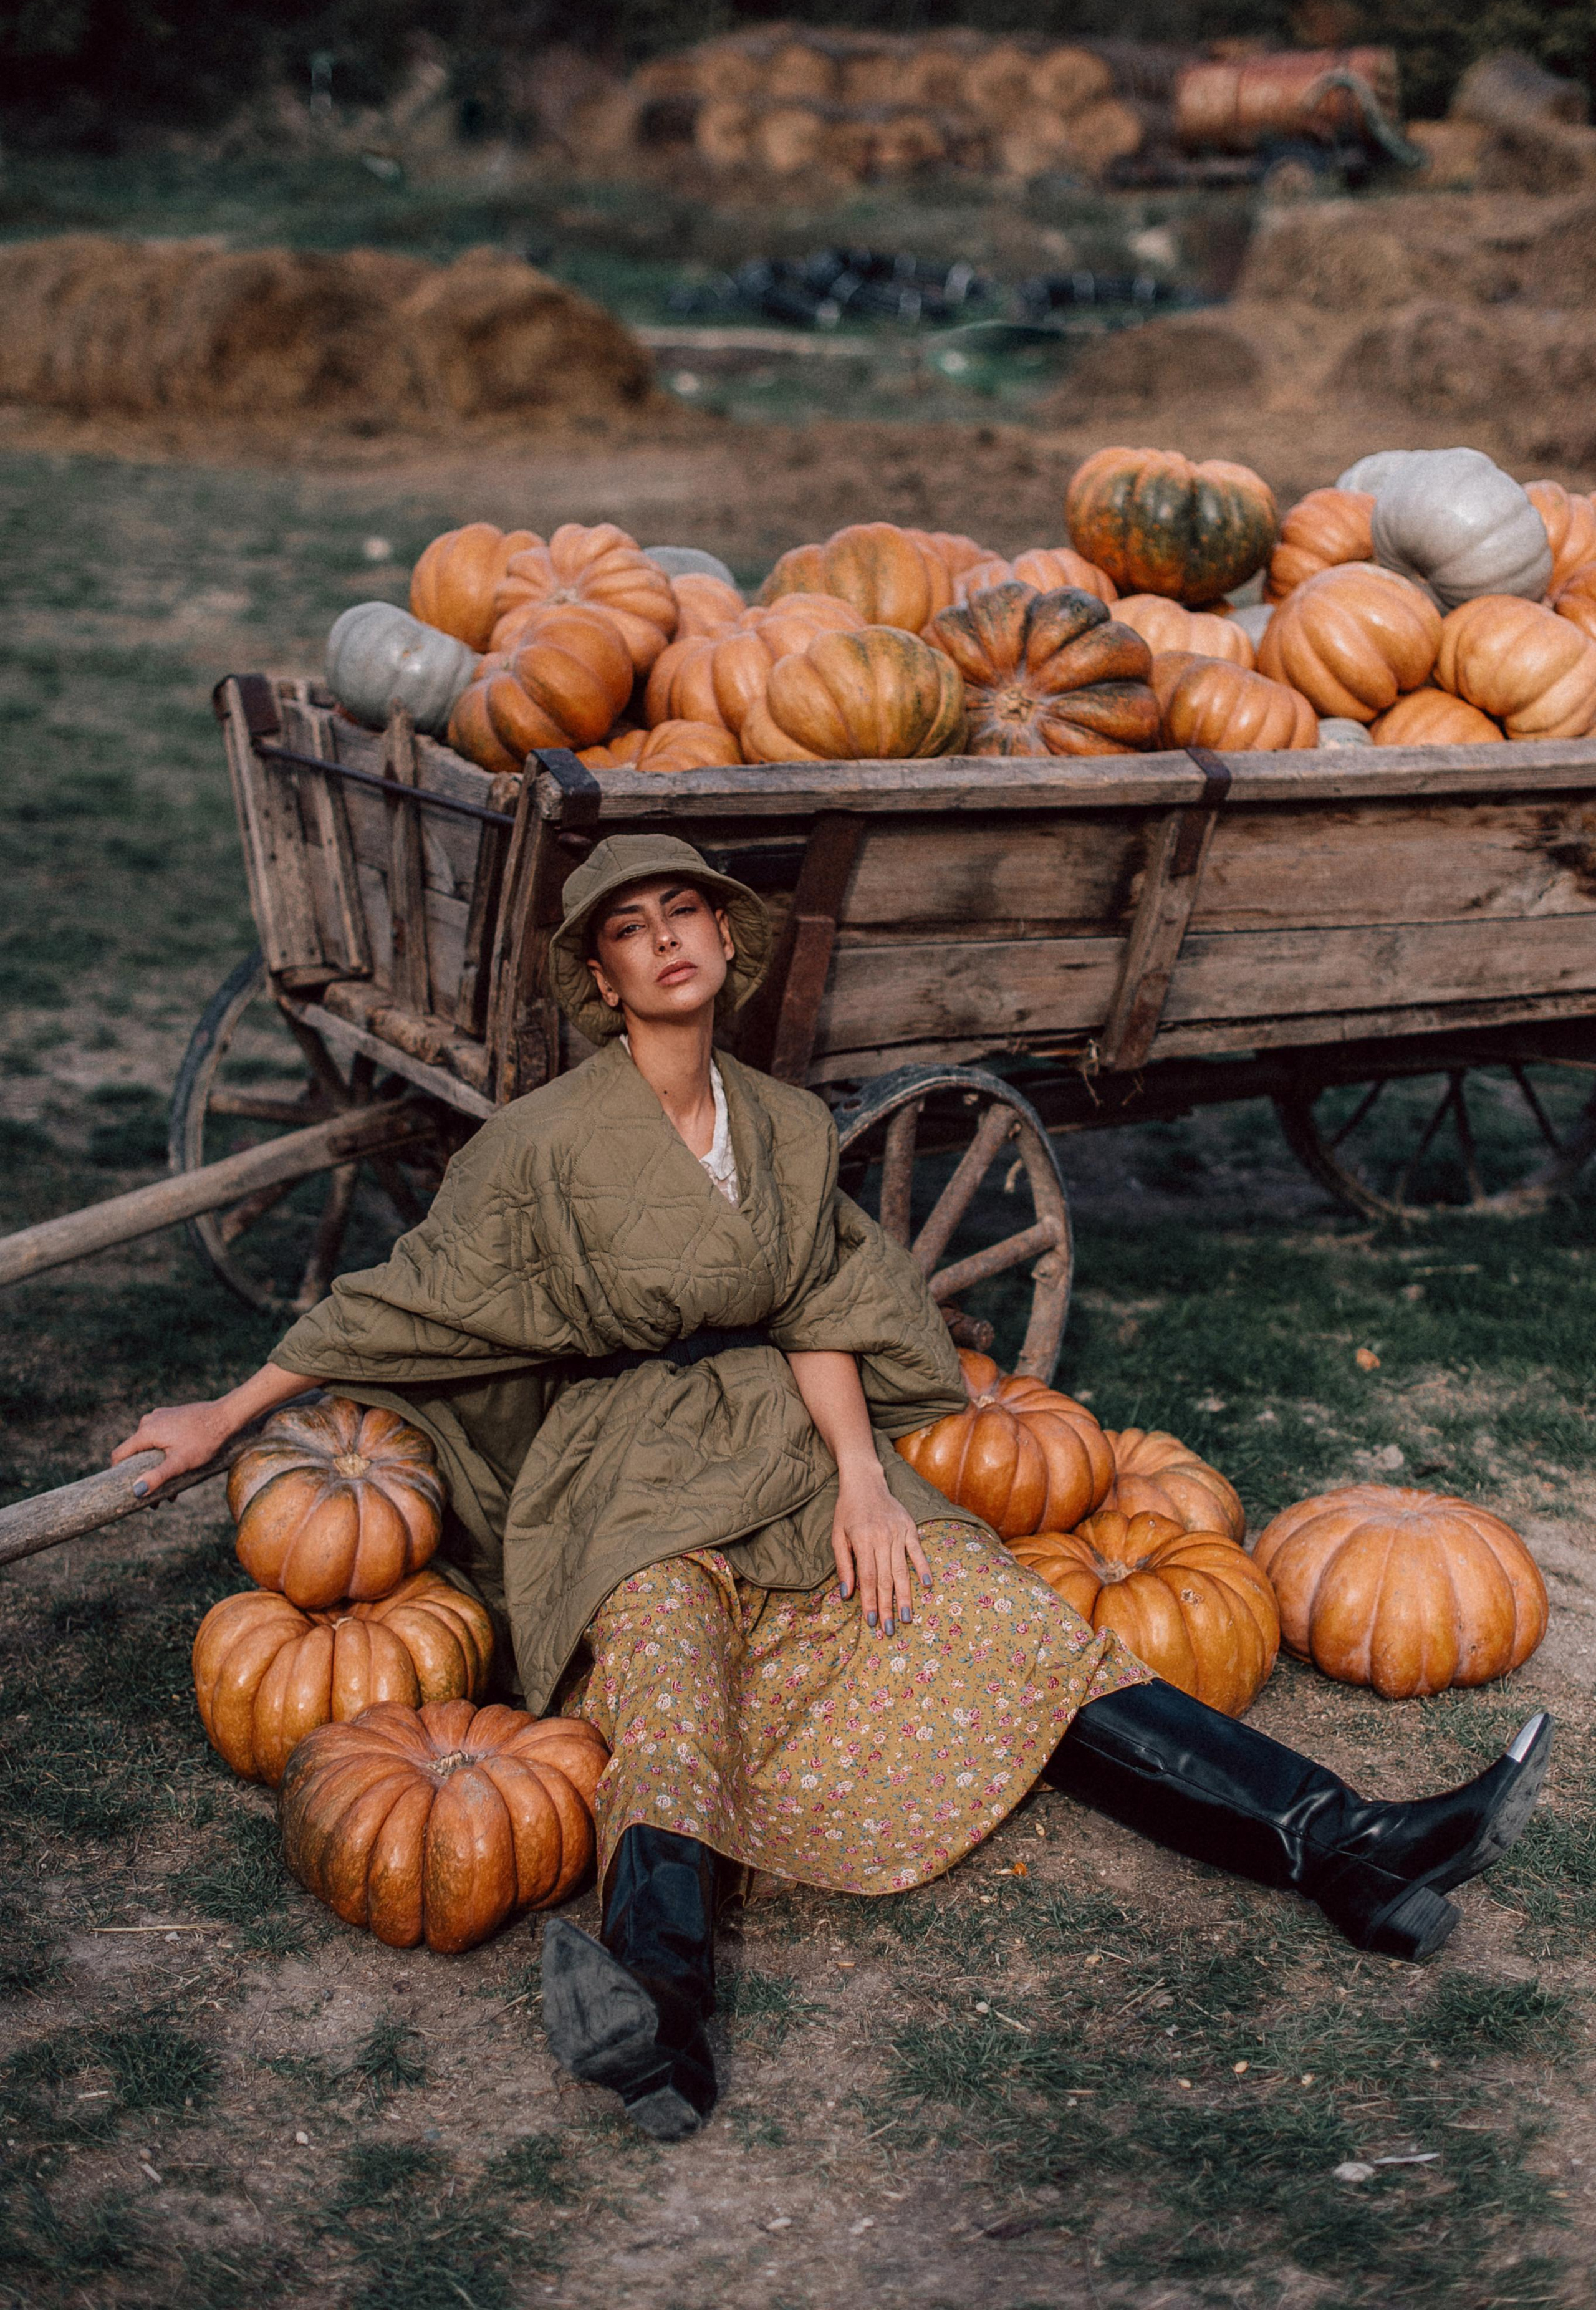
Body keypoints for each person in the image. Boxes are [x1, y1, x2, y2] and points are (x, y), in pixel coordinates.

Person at [115, 835, 1552, 2142]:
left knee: (999, 1609)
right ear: (603, 977)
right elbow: (412, 1292)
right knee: (668, 1666)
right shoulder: (541, 1143)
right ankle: (656, 2008)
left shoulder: (782, 1125)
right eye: (630, 927)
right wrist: (223, 1414)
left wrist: (865, 1483)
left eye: (684, 912)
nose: (665, 939)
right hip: (624, 1459)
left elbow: (817, 1302)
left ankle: (1347, 1847)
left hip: (788, 1432)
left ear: (721, 943)